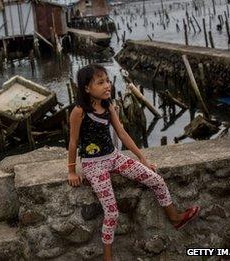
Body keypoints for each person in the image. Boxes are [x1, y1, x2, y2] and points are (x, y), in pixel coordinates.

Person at [67, 64, 200, 261]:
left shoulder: (107, 106)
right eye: (100, 82)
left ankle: (175, 217)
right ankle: (108, 257)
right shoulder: (79, 111)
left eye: (108, 81)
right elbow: (73, 141)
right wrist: (71, 171)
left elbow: (122, 133)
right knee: (112, 212)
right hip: (93, 165)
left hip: (114, 157)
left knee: (156, 179)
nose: (107, 86)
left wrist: (142, 158)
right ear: (86, 88)